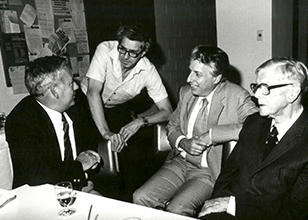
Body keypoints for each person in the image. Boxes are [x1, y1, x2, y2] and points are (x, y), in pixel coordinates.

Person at [133, 45, 258, 216]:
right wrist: (183, 142)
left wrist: (211, 136)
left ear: (217, 78)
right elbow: (172, 126)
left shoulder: (237, 96)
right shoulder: (186, 93)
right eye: (190, 71)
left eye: (197, 74)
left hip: (207, 171)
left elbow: (258, 126)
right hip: (179, 163)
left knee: (177, 209)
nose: (188, 78)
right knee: (140, 198)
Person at [199, 57, 308, 220]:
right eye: (256, 86)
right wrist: (214, 205)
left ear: (293, 92)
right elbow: (228, 173)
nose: (256, 94)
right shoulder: (254, 122)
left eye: (265, 88)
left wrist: (233, 205)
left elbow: (293, 211)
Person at [5, 56, 101, 191]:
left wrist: (90, 156)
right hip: (42, 198)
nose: (76, 87)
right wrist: (79, 166)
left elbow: (89, 138)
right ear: (55, 90)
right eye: (71, 83)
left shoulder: (76, 104)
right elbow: (35, 174)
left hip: (81, 188)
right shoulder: (21, 120)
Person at [82, 21, 172, 152]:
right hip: (85, 102)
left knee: (125, 148)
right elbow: (93, 91)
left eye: (132, 52)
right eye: (122, 49)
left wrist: (140, 121)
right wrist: (106, 132)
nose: (125, 56)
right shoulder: (104, 49)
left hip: (114, 109)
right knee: (87, 145)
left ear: (143, 53)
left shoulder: (149, 71)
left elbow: (168, 111)